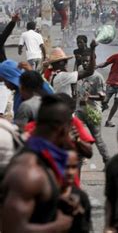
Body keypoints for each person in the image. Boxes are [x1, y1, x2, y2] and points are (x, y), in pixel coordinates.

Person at [0, 95, 76, 232]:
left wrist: (56, 200)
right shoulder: (28, 172)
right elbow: (12, 228)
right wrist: (59, 226)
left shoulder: (40, 157)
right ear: (64, 129)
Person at [75, 53, 110, 164]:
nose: (85, 63)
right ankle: (81, 156)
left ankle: (107, 160)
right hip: (79, 110)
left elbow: (103, 97)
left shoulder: (97, 77)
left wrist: (89, 97)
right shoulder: (80, 70)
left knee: (97, 138)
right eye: (83, 61)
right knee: (76, 134)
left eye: (88, 61)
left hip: (92, 111)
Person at [64, 150, 92, 233]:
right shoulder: (46, 193)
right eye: (66, 167)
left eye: (73, 167)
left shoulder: (81, 197)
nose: (70, 172)